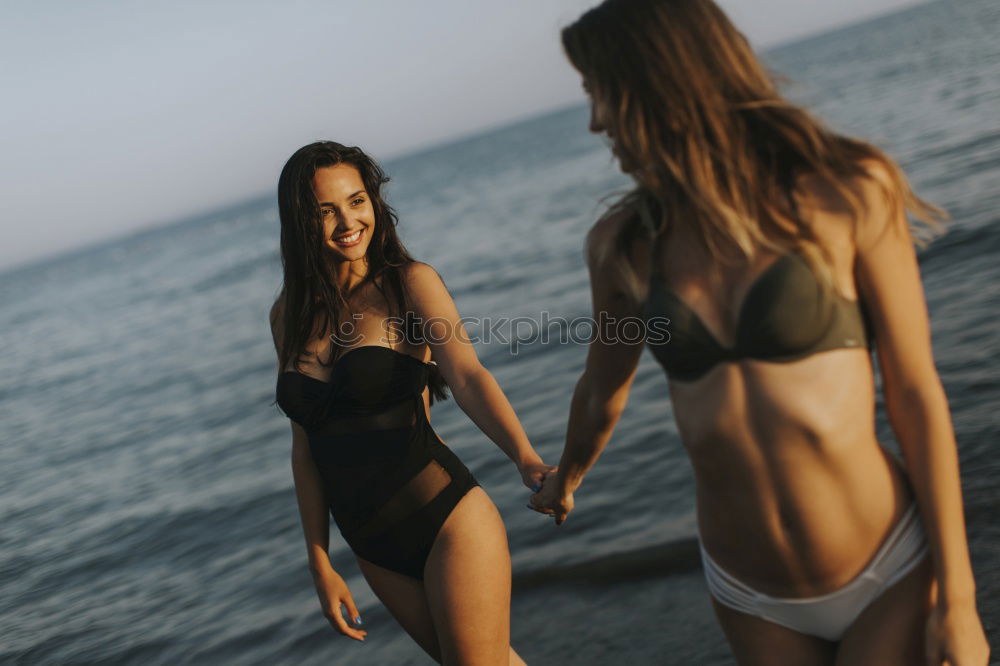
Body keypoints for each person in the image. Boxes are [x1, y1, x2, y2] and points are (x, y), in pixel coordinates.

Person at [528, 1, 990, 664]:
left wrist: (960, 601)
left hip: (885, 566)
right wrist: (567, 476)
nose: (597, 120)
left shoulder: (847, 192)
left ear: (661, 82)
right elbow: (603, 390)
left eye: (601, 93)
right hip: (748, 593)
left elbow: (915, 392)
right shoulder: (624, 245)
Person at [270, 141, 550, 665]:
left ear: (374, 202)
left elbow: (467, 377)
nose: (347, 221)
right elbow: (304, 447)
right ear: (298, 220)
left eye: (357, 201)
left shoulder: (409, 284)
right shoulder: (286, 315)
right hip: (373, 546)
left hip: (446, 518)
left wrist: (525, 457)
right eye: (325, 210)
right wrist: (320, 561)